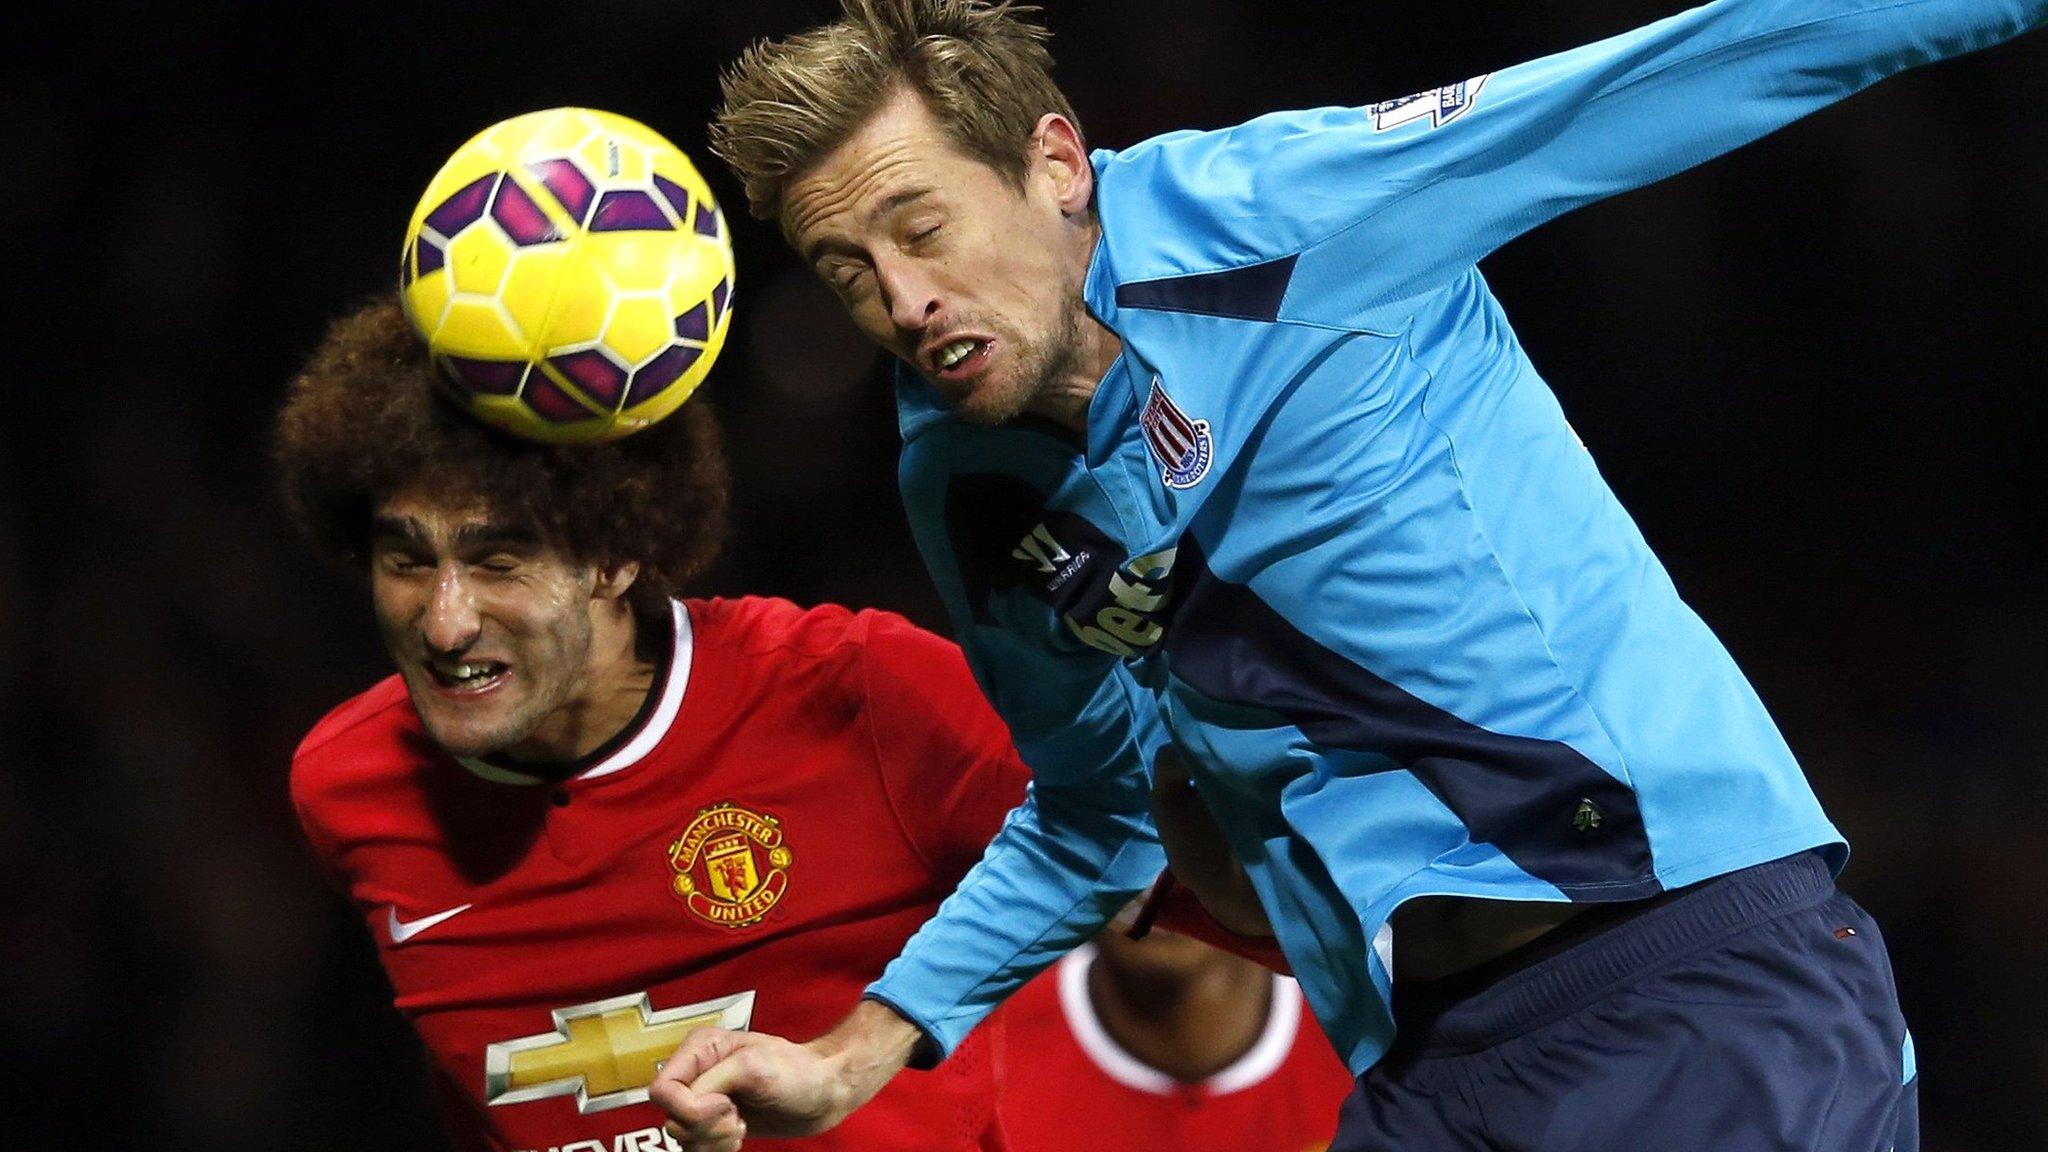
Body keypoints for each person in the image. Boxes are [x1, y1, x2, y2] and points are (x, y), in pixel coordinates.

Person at [654, 1, 2045, 1149]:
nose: (901, 302)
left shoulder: (1283, 210)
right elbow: (1094, 810)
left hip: (1689, 977)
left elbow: (1704, 63)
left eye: (920, 227)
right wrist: (854, 1056)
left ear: (1056, 163)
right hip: (1427, 1073)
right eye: (847, 270)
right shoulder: (960, 481)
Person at [275, 296, 1037, 1152]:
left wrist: (856, 1056)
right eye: (406, 561)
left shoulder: (859, 693)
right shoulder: (350, 788)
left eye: (501, 561)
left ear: (618, 552)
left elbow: (1132, 845)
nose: (445, 623)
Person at [999, 911, 1354, 1152]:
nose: (1158, 882)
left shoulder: (1381, 1024)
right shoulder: (978, 1046)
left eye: (1198, 835)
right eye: (1121, 840)